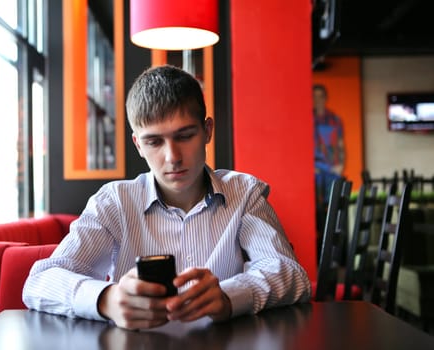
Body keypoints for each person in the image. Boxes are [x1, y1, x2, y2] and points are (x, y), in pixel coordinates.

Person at [23, 65, 311, 330]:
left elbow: (290, 273)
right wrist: (107, 299)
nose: (172, 157)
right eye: (154, 142)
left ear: (207, 131)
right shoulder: (114, 202)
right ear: (138, 144)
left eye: (185, 136)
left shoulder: (244, 192)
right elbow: (40, 281)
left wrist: (229, 296)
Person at [313, 84, 346, 260]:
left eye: (320, 96)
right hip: (315, 173)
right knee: (316, 215)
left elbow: (340, 145)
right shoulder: (306, 118)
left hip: (331, 172)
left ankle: (336, 256)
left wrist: (341, 165)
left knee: (334, 214)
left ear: (325, 98)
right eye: (314, 96)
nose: (317, 100)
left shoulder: (335, 120)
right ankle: (320, 255)